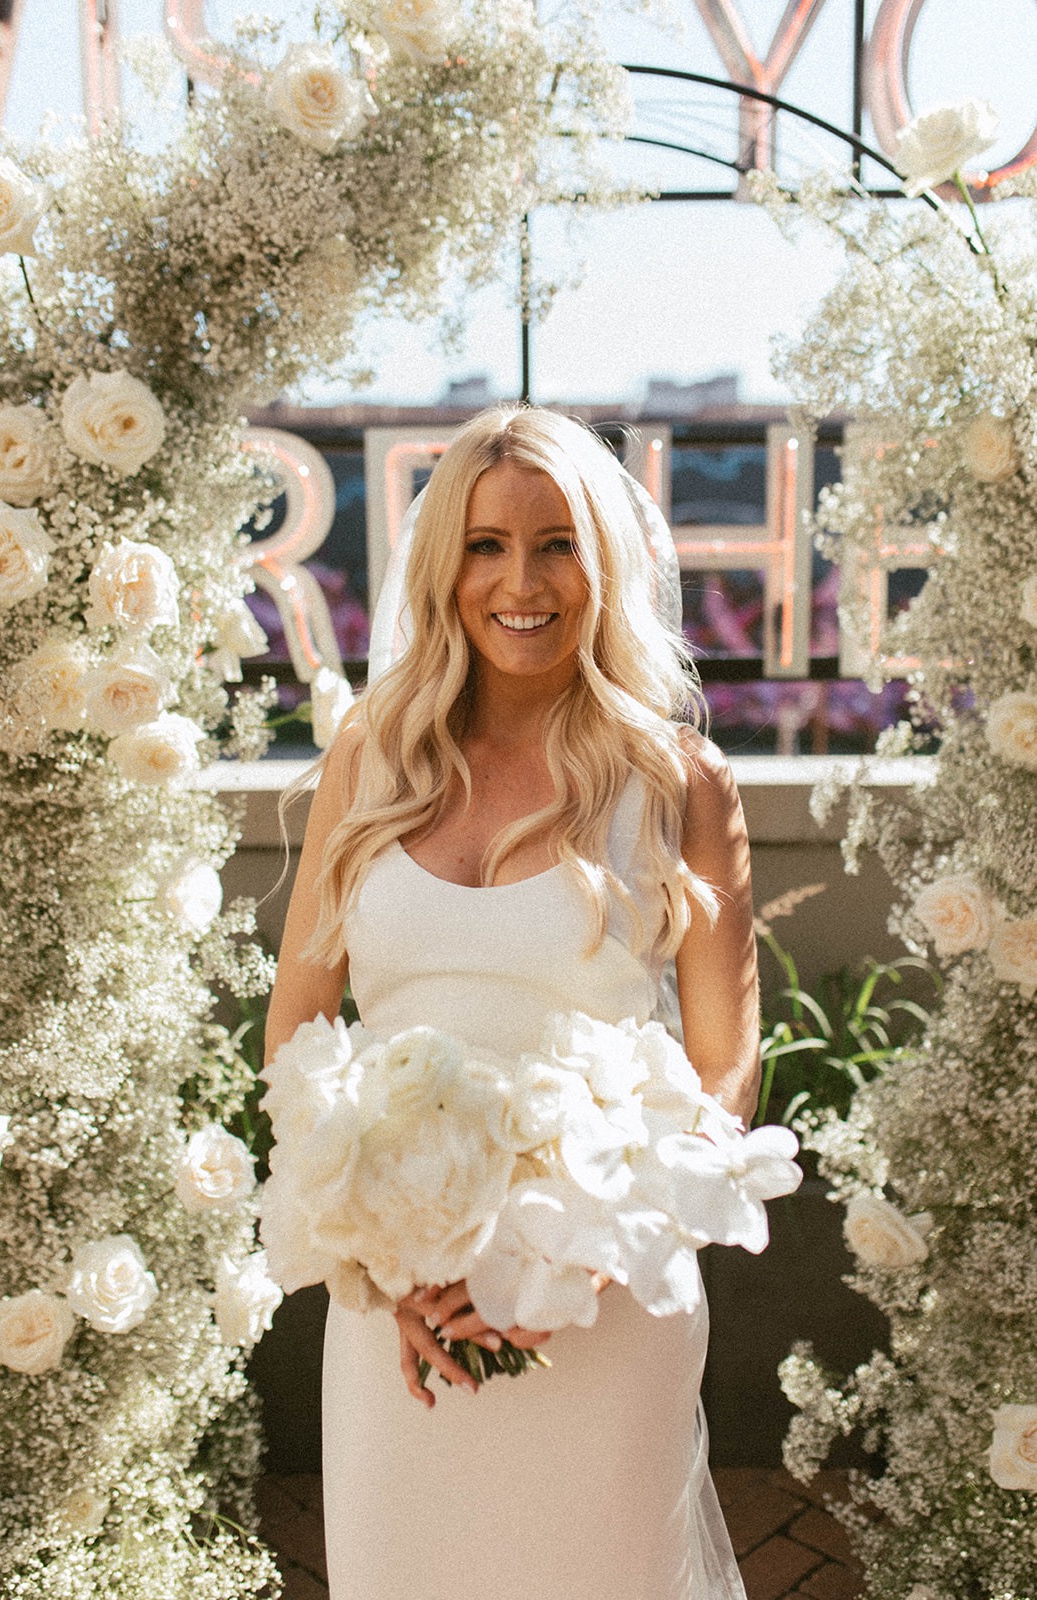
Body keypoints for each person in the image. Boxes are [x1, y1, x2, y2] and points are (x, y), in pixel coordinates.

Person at [264, 405, 759, 1600]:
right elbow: (296, 1034)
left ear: (606, 563)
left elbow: (724, 1070)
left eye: (555, 544)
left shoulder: (675, 781)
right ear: (444, 568)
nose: (520, 581)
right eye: (485, 545)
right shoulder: (368, 760)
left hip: (597, 1305)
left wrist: (577, 1257)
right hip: (400, 1306)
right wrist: (383, 1264)